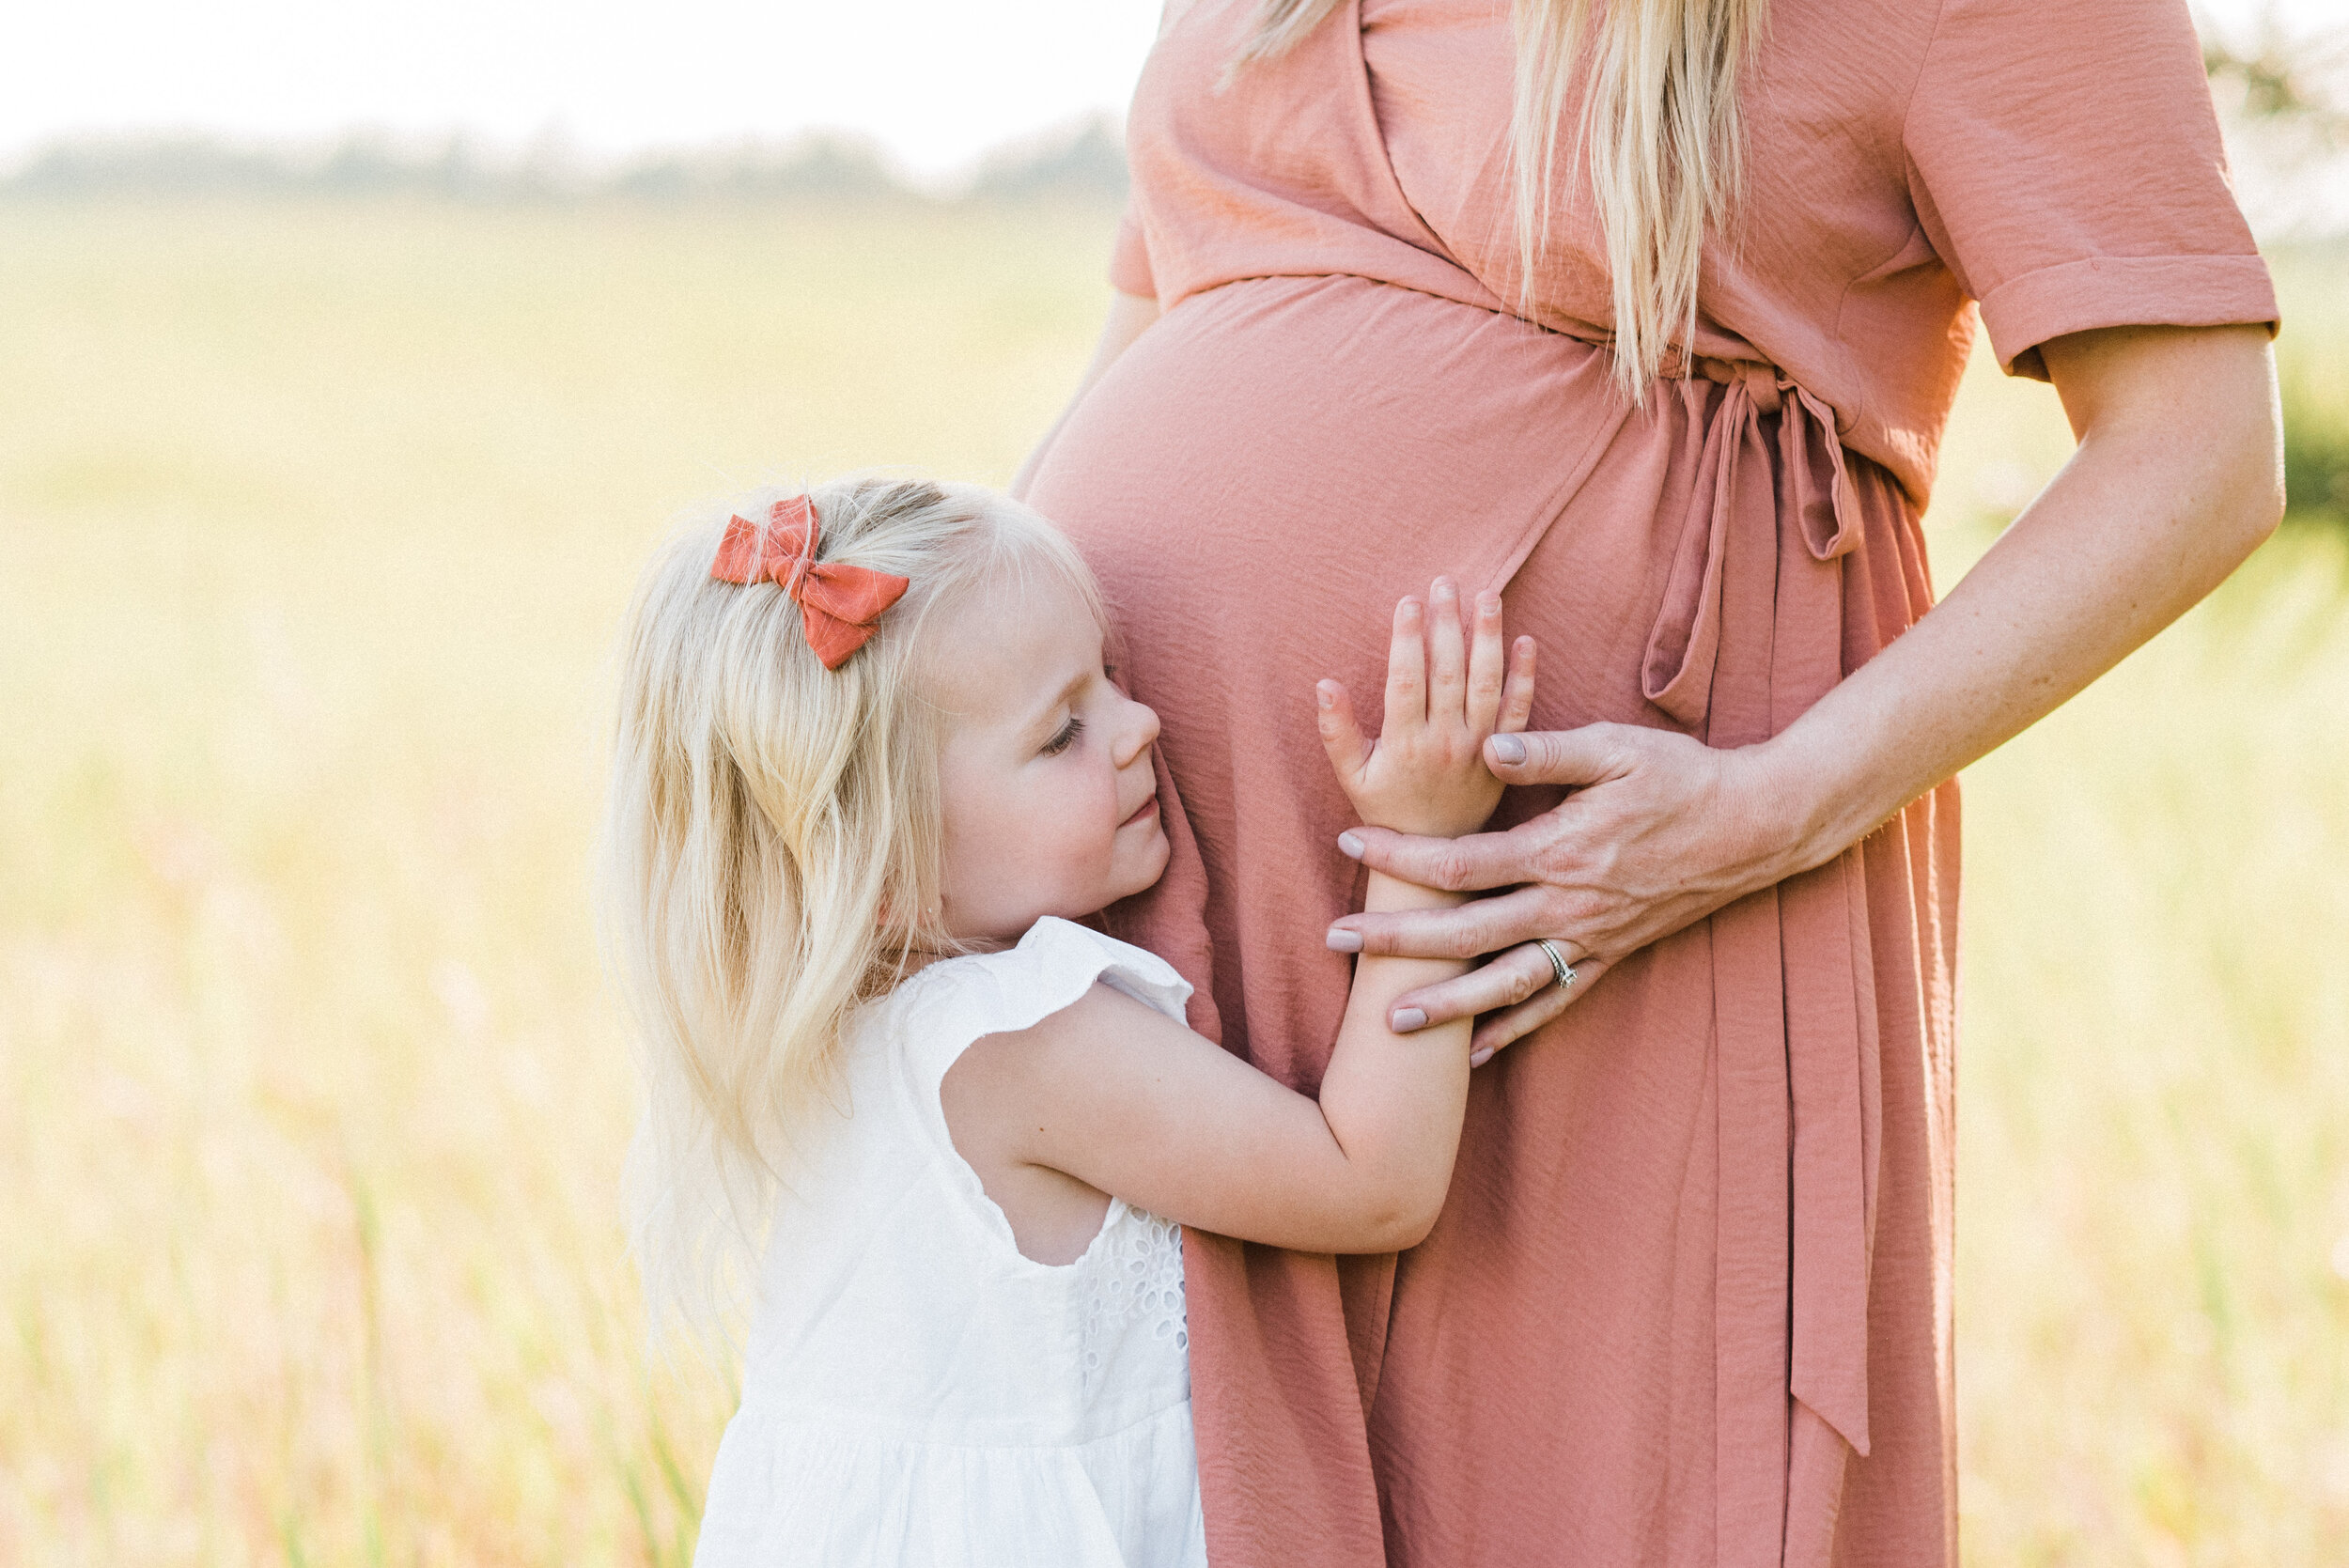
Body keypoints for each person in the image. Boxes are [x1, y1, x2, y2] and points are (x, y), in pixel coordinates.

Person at [1014, 0, 2284, 1561]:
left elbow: (2201, 449)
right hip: (1163, 931)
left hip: (1602, 919)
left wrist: (1783, 798)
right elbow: (1145, 355)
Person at [596, 475, 1539, 1566]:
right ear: (886, 864)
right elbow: (1370, 1180)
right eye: (1062, 735)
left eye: (1111, 677)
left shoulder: (826, 1033)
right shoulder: (1018, 1037)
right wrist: (1422, 851)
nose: (1140, 725)